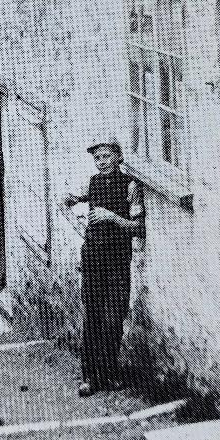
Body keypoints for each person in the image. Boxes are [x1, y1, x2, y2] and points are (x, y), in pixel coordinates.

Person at [65, 135, 145, 397]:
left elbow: (138, 227)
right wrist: (76, 199)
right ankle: (89, 376)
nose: (101, 162)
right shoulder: (95, 182)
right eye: (97, 158)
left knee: (113, 318)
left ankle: (109, 374)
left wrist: (113, 218)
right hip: (92, 258)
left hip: (117, 260)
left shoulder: (131, 186)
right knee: (92, 318)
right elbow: (92, 197)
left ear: (118, 157)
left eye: (106, 156)